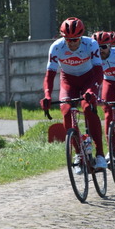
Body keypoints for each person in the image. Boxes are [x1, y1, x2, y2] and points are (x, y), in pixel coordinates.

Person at [40, 17, 106, 171]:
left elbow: (98, 72)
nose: (71, 43)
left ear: (81, 36)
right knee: (66, 110)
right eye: (68, 39)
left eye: (75, 39)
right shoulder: (56, 47)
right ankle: (78, 154)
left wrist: (92, 90)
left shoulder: (91, 44)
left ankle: (101, 154)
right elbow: (49, 75)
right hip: (68, 81)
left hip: (89, 79)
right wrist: (47, 95)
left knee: (89, 108)